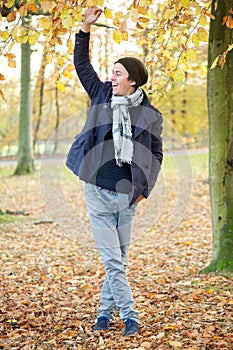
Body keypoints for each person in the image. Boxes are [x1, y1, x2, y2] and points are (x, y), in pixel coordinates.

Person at [66, 6, 163, 337]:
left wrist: (143, 189)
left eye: (118, 73)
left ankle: (103, 315)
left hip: (127, 197)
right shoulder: (100, 95)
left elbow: (156, 155)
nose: (112, 76)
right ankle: (130, 316)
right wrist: (84, 28)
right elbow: (82, 65)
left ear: (133, 80)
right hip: (97, 190)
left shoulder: (150, 115)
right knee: (114, 262)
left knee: (117, 260)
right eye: (111, 71)